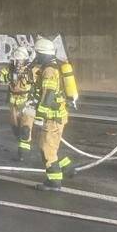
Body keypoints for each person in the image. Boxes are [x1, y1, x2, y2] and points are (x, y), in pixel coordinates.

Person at [27, 38, 78, 190]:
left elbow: (48, 94)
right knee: (50, 147)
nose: (35, 56)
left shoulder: (49, 70)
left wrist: (39, 116)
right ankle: (68, 168)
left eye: (37, 53)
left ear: (41, 53)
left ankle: (54, 182)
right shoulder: (54, 66)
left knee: (46, 149)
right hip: (56, 115)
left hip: (52, 117)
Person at [0, 47, 36, 161]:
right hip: (13, 105)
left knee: (25, 130)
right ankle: (21, 149)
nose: (18, 63)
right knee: (15, 129)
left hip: (27, 103)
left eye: (20, 60)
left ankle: (23, 155)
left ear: (25, 60)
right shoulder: (10, 69)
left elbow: (40, 83)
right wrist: (8, 76)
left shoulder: (31, 70)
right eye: (16, 60)